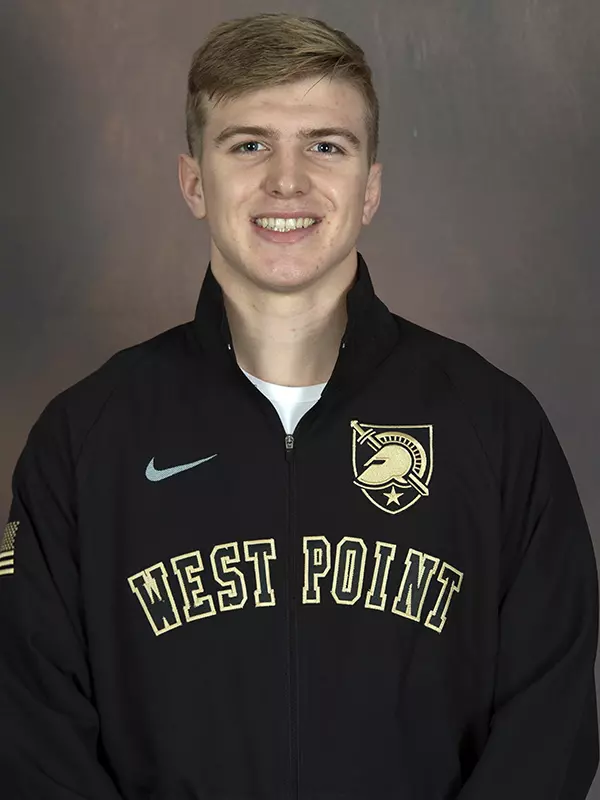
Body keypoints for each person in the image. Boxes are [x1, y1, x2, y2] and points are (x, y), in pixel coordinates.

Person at [0, 11, 598, 800]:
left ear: (370, 187)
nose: (287, 181)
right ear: (192, 183)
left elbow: (548, 726)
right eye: (248, 144)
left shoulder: (495, 428)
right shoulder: (84, 440)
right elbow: (30, 732)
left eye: (325, 145)